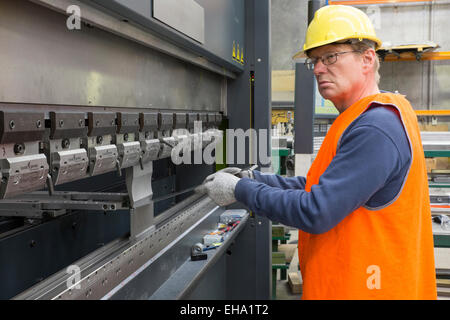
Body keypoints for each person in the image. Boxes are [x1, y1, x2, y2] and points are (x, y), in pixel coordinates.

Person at [196, 5, 437, 299]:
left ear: (367, 58)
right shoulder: (366, 117)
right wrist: (253, 179)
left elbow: (316, 211)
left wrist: (242, 190)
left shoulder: (375, 127)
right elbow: (320, 187)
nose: (319, 68)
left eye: (331, 57)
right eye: (315, 61)